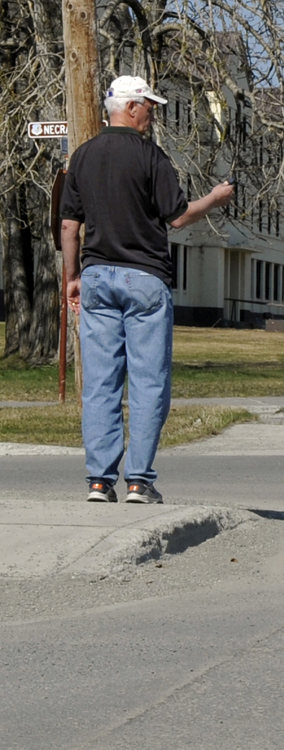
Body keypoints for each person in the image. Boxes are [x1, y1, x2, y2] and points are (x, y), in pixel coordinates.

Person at [60, 74, 235, 503]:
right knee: (147, 382)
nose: (152, 115)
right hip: (145, 279)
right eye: (149, 107)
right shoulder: (151, 156)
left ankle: (99, 481)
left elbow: (69, 225)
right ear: (131, 106)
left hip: (98, 275)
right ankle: (139, 480)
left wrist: (72, 277)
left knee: (100, 384)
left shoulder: (82, 156)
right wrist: (214, 198)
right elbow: (176, 217)